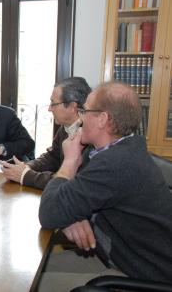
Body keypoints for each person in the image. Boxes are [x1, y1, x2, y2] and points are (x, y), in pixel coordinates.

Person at [37, 82, 172, 291]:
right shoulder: (108, 152)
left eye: (84, 110)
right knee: (30, 271)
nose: (80, 117)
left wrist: (69, 161)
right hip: (115, 254)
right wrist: (73, 215)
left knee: (28, 284)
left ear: (102, 119)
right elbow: (69, 197)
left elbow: (49, 212)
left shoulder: (116, 163)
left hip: (139, 274)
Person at [0, 77, 91, 189]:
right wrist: (27, 166)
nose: (49, 109)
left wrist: (25, 175)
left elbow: (71, 181)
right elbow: (52, 157)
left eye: (53, 103)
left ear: (72, 107)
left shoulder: (91, 135)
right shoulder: (66, 127)